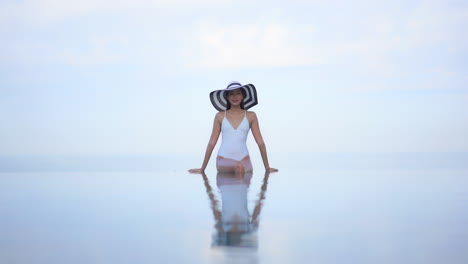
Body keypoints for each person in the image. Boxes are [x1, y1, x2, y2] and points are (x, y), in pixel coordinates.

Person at [189, 81, 278, 175]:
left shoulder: (251, 116)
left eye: (238, 93)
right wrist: (202, 168)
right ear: (227, 97)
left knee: (243, 173)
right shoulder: (220, 116)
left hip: (245, 159)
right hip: (224, 159)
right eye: (231, 94)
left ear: (243, 95)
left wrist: (267, 167)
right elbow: (212, 143)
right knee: (239, 168)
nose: (235, 97)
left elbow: (260, 142)